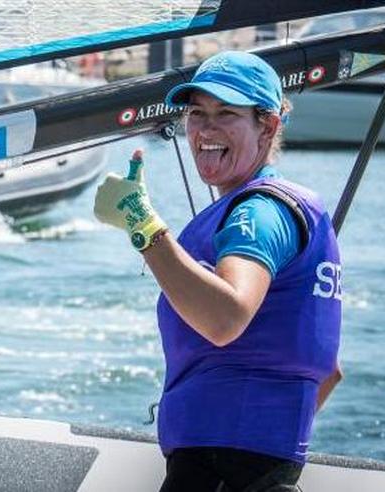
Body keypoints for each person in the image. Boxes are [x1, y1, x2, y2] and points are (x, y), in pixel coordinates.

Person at [93, 51, 343, 491]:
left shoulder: (260, 212)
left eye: (226, 113)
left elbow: (226, 317)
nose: (205, 130)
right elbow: (327, 369)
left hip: (221, 472)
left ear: (268, 125)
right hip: (249, 470)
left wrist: (142, 224)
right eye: (196, 113)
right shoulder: (277, 207)